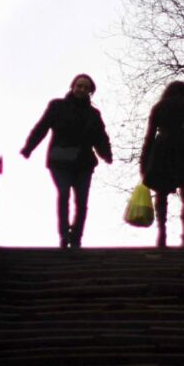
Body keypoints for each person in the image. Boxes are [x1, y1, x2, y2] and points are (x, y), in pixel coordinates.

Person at [21, 74, 114, 248]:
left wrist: (106, 155)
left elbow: (101, 137)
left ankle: (76, 237)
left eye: (86, 87)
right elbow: (42, 127)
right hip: (60, 160)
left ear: (90, 92)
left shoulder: (94, 114)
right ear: (73, 86)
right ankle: (64, 234)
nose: (82, 89)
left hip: (84, 163)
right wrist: (29, 147)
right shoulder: (57, 106)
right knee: (64, 193)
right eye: (79, 86)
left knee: (82, 201)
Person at [139, 81, 184, 248]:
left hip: (162, 151)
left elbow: (149, 136)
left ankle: (162, 233)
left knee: (161, 194)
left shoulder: (158, 107)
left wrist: (144, 163)